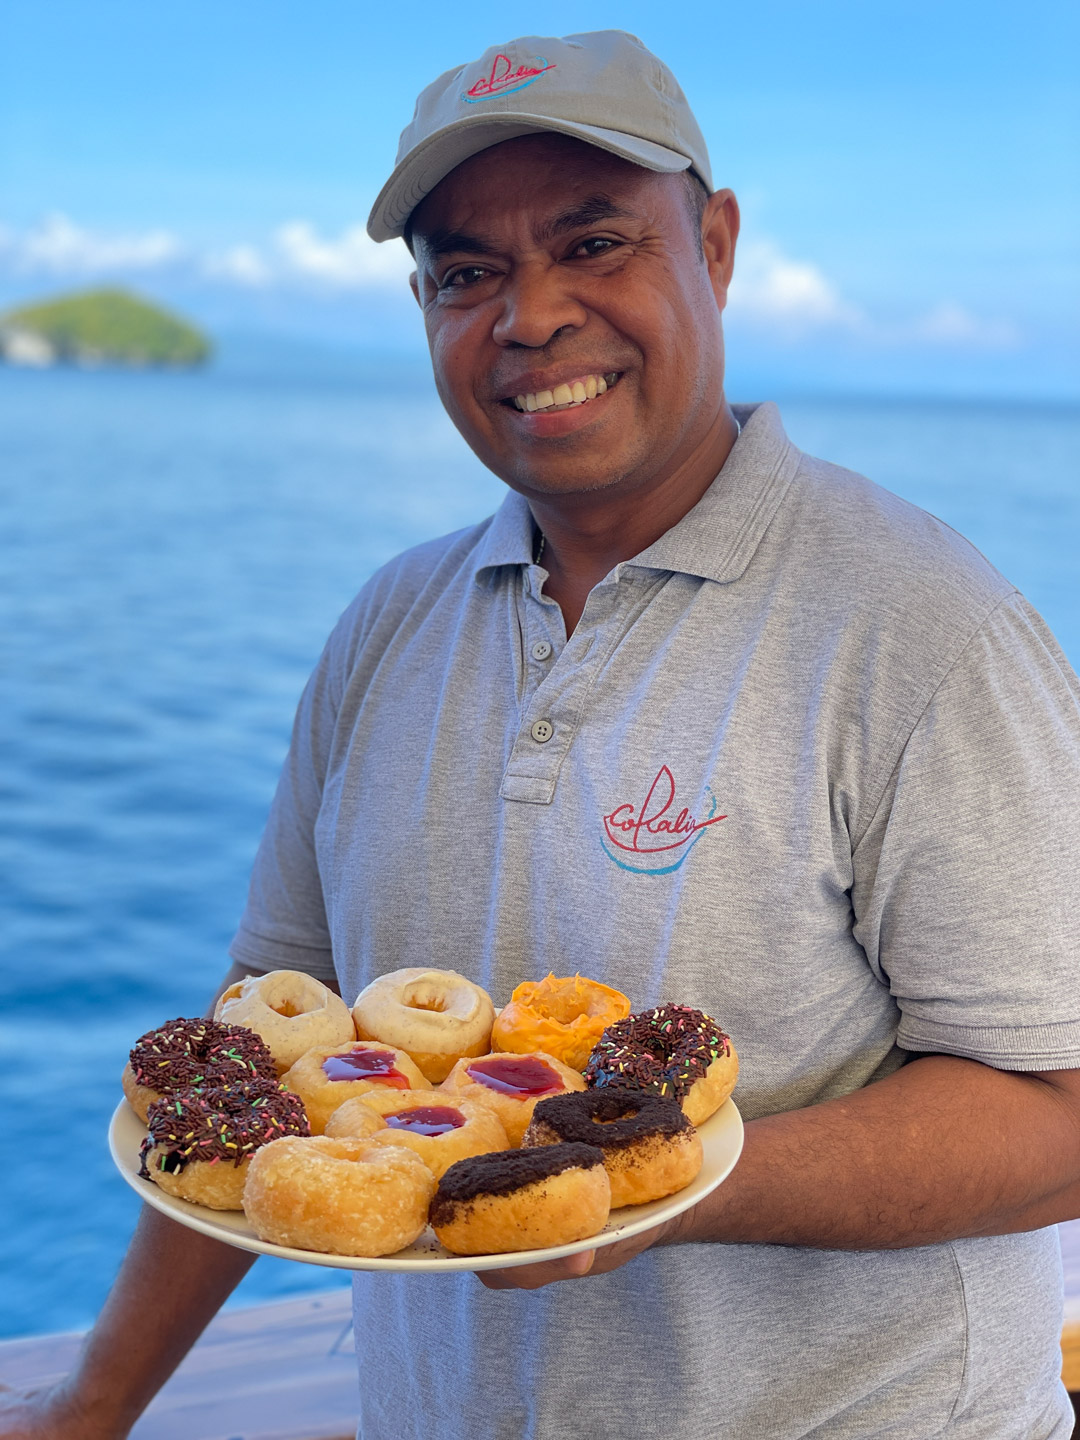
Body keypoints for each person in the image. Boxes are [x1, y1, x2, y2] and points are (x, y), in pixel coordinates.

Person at [4, 29, 1080, 1440]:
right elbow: (258, 1072)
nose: (531, 315)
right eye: (467, 272)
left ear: (717, 246)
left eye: (595, 241)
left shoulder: (924, 625)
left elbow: (1058, 1113)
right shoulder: (387, 628)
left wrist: (665, 1178)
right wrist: (96, 1404)